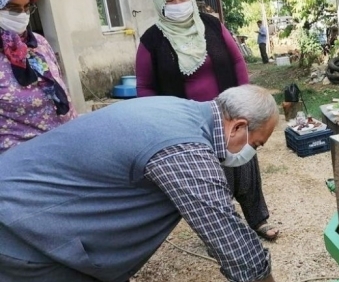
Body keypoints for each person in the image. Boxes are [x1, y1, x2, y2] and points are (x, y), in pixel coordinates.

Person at [0, 84, 279, 282]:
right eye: (255, 144)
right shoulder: (186, 148)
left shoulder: (179, 110)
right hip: (22, 227)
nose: (251, 153)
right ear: (238, 126)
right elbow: (227, 236)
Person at [135, 0, 279, 241]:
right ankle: (223, 229)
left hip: (229, 112)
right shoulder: (151, 40)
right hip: (187, 122)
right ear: (159, 4)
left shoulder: (211, 26)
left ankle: (258, 218)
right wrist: (158, 119)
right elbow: (144, 86)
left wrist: (245, 97)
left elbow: (237, 61)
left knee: (245, 163)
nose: (178, 4)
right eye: (170, 0)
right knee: (209, 175)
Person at [0, 0, 76, 152]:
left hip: (66, 146)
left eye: (27, 8)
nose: (22, 15)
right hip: (21, 160)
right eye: (12, 9)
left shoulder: (38, 43)